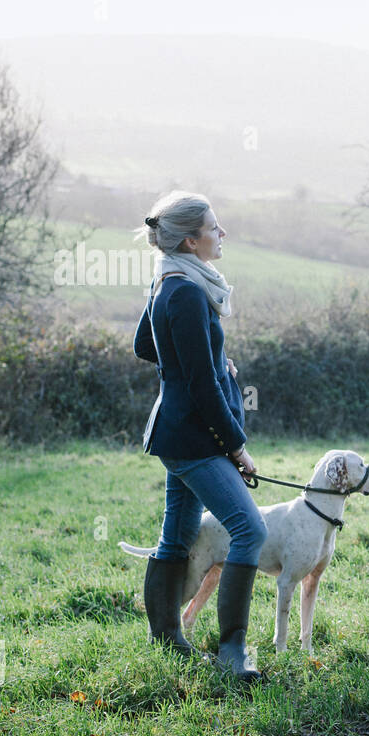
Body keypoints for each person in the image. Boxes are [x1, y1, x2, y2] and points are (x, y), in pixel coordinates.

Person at [132, 190, 264, 682]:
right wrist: (236, 447)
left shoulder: (170, 277)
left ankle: (165, 638)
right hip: (193, 437)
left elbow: (146, 344)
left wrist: (202, 359)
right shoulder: (186, 291)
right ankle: (233, 653)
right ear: (190, 240)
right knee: (250, 530)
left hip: (176, 432)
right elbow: (202, 385)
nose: (222, 233)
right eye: (214, 227)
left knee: (177, 536)